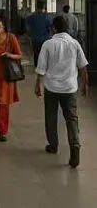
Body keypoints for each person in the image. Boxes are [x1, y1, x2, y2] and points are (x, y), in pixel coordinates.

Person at [35, 15, 89, 168]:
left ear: (54, 28)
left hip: (52, 87)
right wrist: (85, 84)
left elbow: (41, 67)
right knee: (72, 118)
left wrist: (37, 84)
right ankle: (75, 146)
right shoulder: (75, 43)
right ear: (68, 28)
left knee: (51, 117)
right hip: (70, 88)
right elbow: (83, 66)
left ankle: (53, 145)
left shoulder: (48, 44)